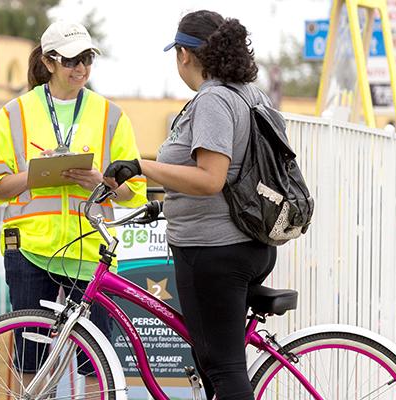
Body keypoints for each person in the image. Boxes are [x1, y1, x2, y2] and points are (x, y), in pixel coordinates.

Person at [104, 10, 276, 400]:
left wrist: (142, 166)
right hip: (248, 243)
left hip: (214, 250)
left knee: (224, 369)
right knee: (213, 365)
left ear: (183, 54)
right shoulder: (250, 94)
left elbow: (211, 178)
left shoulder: (214, 100)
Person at [0, 19, 147, 385]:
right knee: (30, 360)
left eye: (86, 58)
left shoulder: (112, 115)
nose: (81, 68)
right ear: (50, 61)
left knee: (96, 361)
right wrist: (38, 173)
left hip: (88, 250)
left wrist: (100, 180)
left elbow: (135, 190)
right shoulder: (15, 113)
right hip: (29, 249)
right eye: (71, 60)